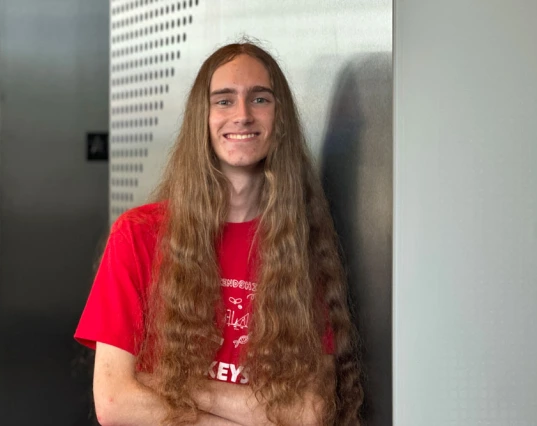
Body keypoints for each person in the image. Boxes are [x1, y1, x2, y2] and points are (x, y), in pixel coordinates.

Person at [75, 41, 363, 426]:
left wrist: (176, 386)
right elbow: (113, 401)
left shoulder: (300, 249)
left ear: (280, 120)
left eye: (260, 99)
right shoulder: (138, 235)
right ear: (202, 118)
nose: (242, 115)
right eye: (224, 101)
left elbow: (310, 411)